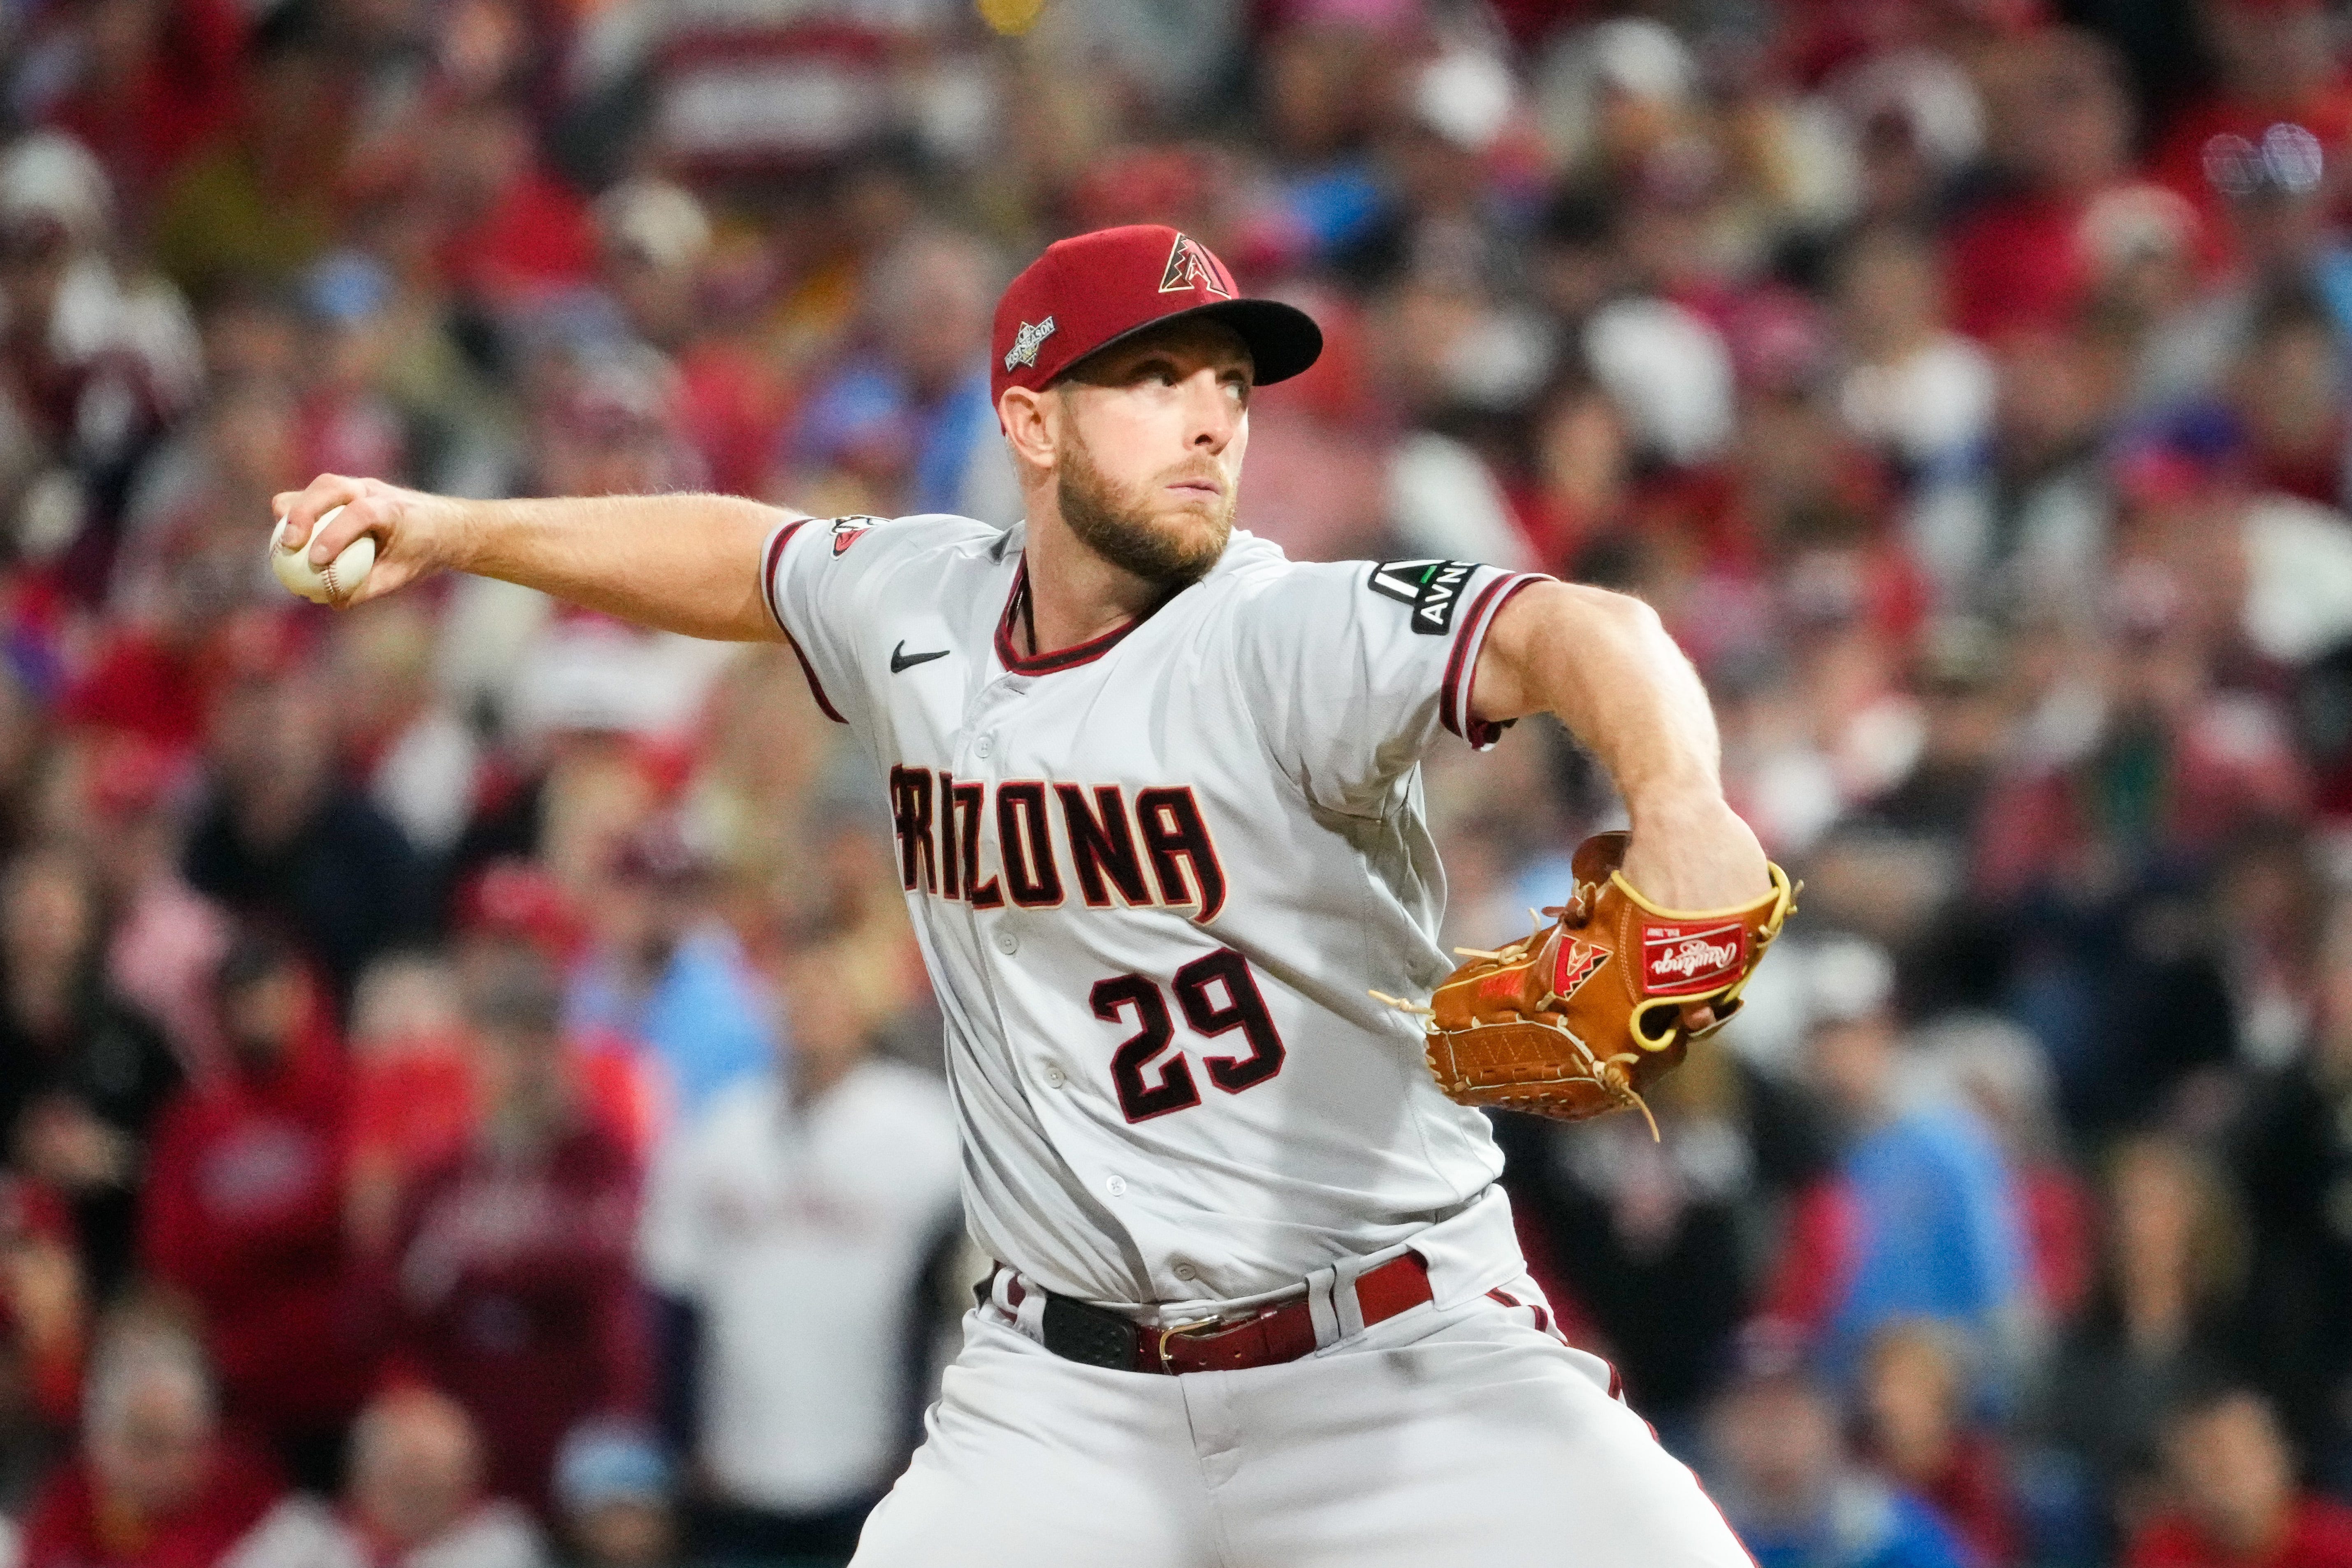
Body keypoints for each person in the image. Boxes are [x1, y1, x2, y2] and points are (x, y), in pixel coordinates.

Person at [274, 222, 1774, 1565]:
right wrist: (456, 528)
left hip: (1390, 1355)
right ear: (1029, 420)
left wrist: (1681, 803)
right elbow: (741, 552)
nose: (1209, 420)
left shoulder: (1284, 633)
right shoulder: (921, 600)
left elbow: (1582, 627)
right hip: (1059, 1403)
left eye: (1231, 387)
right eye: (1156, 378)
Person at [638, 942, 960, 1562]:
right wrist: (682, 1435)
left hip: (876, 1455)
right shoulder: (720, 1128)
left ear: (861, 1011)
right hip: (738, 1456)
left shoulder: (925, 1130)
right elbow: (677, 1294)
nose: (807, 1014)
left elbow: (953, 1296)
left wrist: (922, 1434)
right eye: (794, 997)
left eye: (825, 998)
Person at [2125, 1387, 2352, 1568]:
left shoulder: (2340, 1544)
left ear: (2280, 1457)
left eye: (2239, 1459)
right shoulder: (2163, 1551)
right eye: (2205, 1468)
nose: (2225, 1483)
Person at [339, 1388, 543, 1568]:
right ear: (359, 1482)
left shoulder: (502, 1545)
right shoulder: (315, 1544)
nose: (416, 1496)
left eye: (433, 1483)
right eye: (403, 1478)